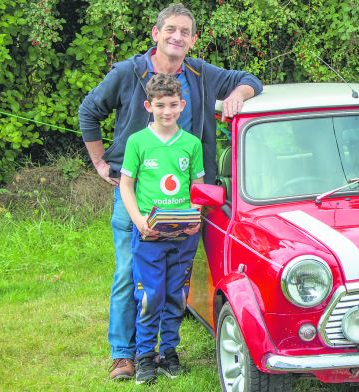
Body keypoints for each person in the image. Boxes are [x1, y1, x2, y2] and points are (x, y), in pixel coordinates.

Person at [78, 3, 263, 380]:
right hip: (138, 197)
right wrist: (101, 164)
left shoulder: (199, 73)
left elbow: (251, 79)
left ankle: (166, 350)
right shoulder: (128, 72)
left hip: (185, 200)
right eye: (171, 30)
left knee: (175, 276)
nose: (177, 37)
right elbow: (89, 111)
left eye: (185, 32)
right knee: (131, 272)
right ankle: (124, 355)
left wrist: (238, 94)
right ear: (155, 34)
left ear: (193, 40)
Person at [120, 73, 202, 384]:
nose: (166, 111)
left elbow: (198, 186)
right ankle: (144, 356)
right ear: (148, 105)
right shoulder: (138, 142)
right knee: (150, 296)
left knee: (175, 296)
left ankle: (168, 352)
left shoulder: (191, 144)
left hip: (182, 236)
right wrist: (139, 220)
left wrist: (196, 215)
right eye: (160, 105)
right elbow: (127, 185)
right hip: (149, 236)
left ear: (182, 105)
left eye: (172, 105)